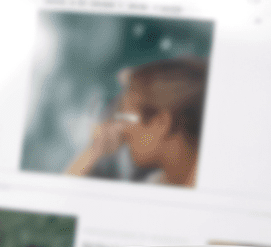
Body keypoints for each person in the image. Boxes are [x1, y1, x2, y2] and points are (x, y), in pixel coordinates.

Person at [66, 56, 207, 187]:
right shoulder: (158, 183)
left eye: (126, 118)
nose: (122, 128)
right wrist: (94, 151)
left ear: (161, 124)